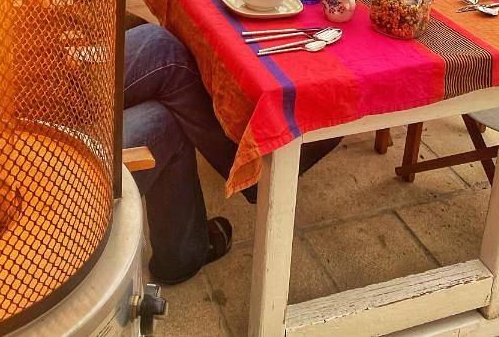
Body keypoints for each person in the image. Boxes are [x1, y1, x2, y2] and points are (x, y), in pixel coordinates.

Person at [123, 22, 340, 285]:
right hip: (74, 147)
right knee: (168, 111)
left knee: (161, 46)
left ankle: (241, 168)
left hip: (73, 83)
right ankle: (247, 174)